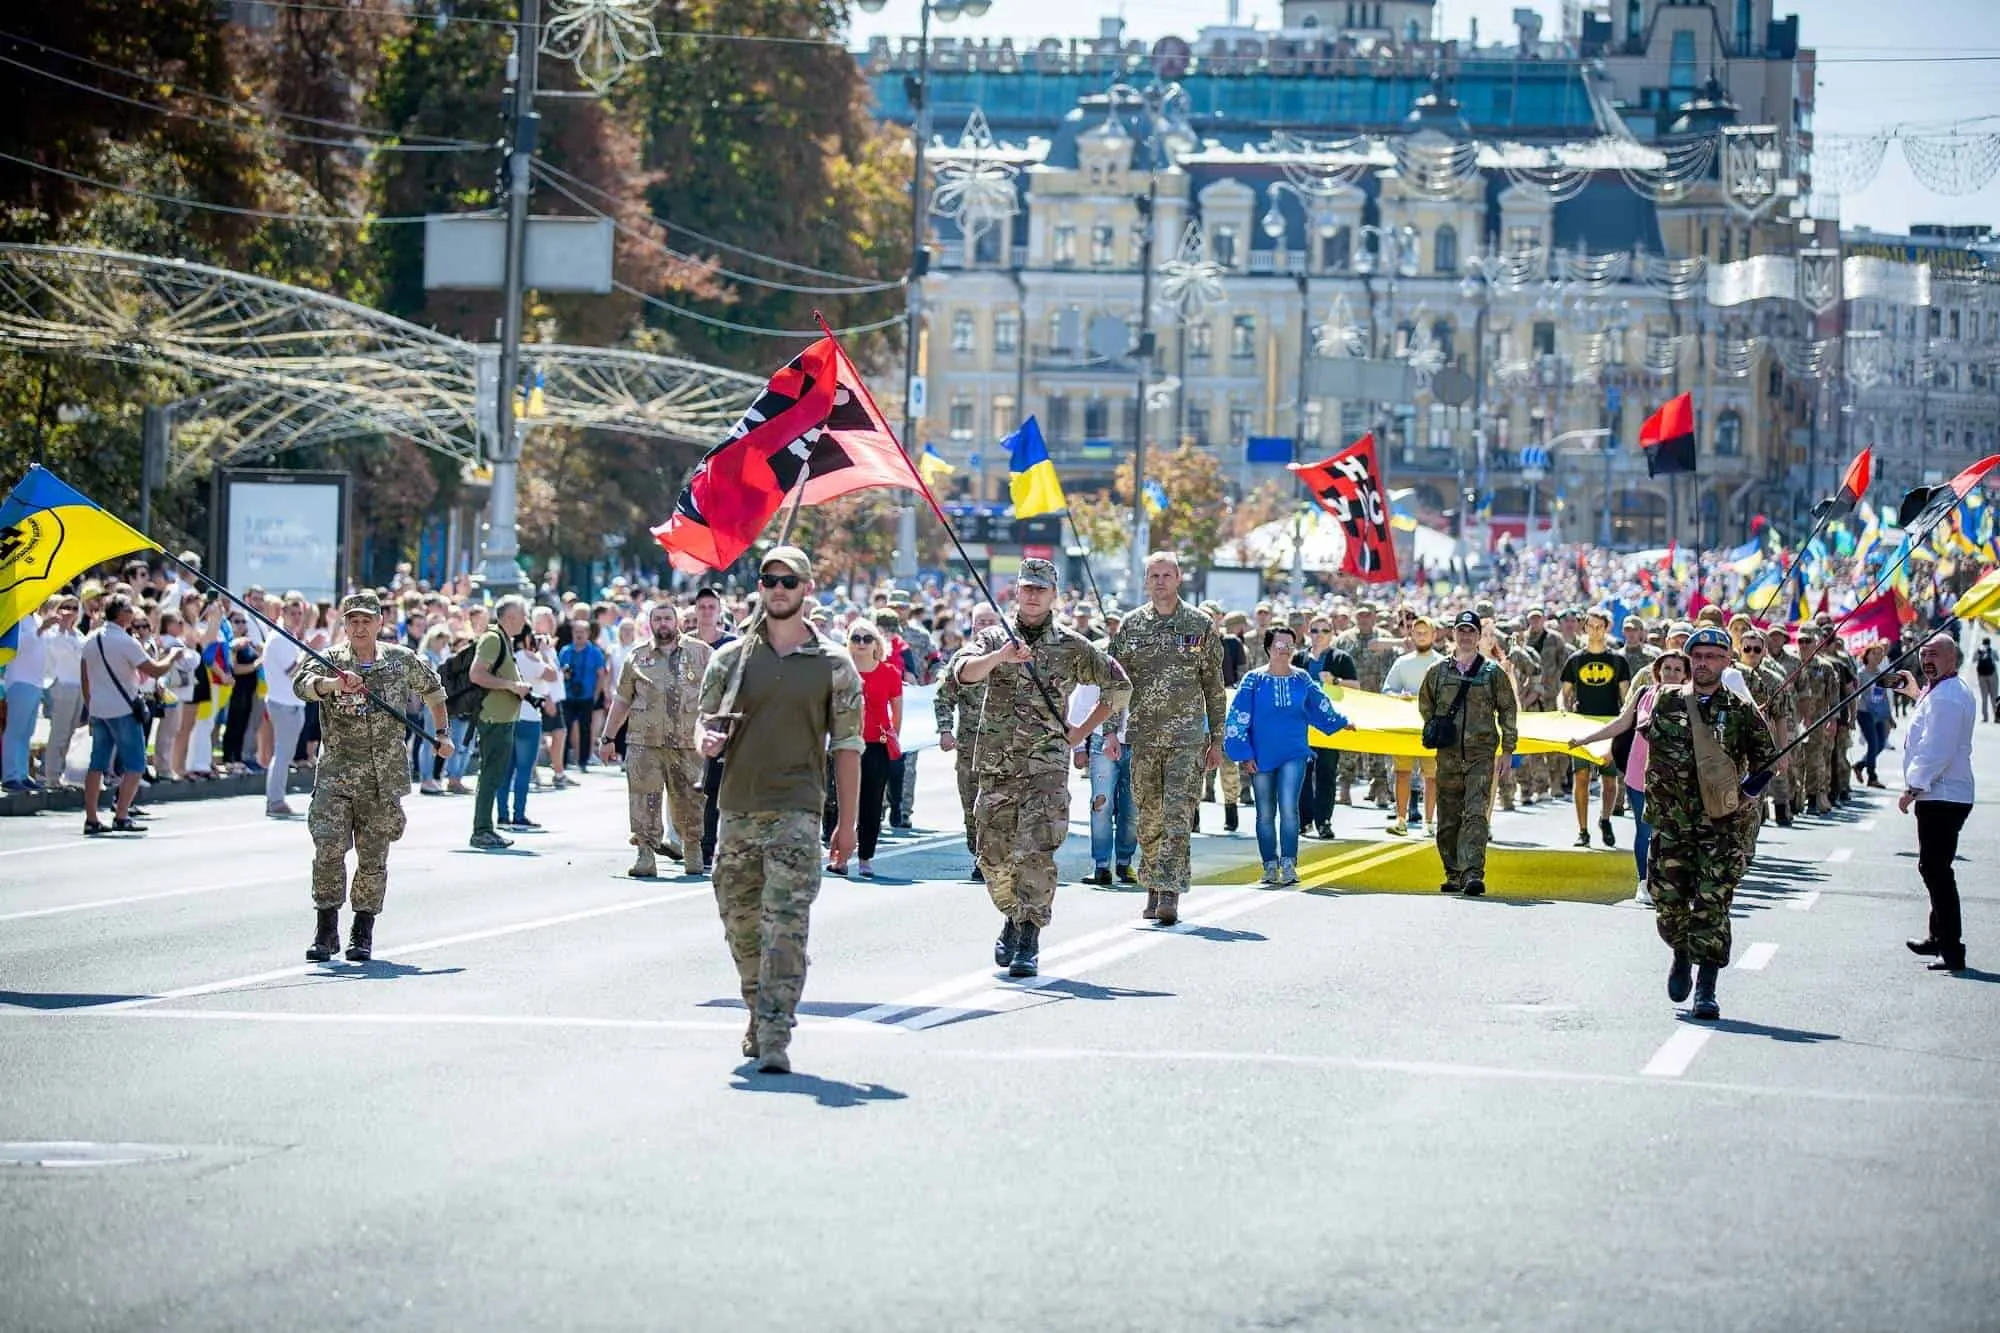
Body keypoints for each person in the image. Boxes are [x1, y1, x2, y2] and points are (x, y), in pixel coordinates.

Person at [696, 546, 862, 1075]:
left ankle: (774, 1030)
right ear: (759, 587)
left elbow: (848, 746)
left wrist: (848, 822)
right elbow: (704, 723)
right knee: (742, 927)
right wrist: (707, 739)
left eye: (789, 581)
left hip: (798, 810)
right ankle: (757, 1005)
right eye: (770, 580)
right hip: (737, 810)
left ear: (806, 589)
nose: (779, 588)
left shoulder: (834, 665)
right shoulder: (731, 659)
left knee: (785, 926)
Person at [954, 559, 1128, 973]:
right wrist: (1000, 657)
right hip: (997, 764)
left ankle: (1029, 935)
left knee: (1037, 851)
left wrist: (1082, 730)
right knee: (992, 856)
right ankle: (1013, 915)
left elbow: (1120, 685)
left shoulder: (1071, 645)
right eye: (1026, 587)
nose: (1032, 595)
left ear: (1054, 595)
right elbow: (963, 673)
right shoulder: (993, 637)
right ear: (1016, 591)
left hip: (1046, 766)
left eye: (1041, 589)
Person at [291, 593, 450, 963]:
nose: (360, 628)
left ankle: (362, 931)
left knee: (373, 857)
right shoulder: (328, 660)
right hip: (336, 772)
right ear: (344, 625)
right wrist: (333, 685)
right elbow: (301, 686)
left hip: (382, 777)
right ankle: (325, 930)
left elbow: (433, 691)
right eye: (353, 621)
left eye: (367, 621)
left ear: (380, 623)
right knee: (328, 849)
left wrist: (443, 734)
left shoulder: (400, 660)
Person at [1639, 627, 1779, 1021]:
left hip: (1719, 828)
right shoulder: (1664, 701)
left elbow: (1766, 760)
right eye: (1697, 656)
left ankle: (1707, 988)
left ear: (1726, 662)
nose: (1703, 663)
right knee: (1668, 904)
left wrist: (1744, 795)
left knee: (1712, 905)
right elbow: (1634, 737)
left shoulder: (1740, 709)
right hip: (1669, 826)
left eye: (1713, 657)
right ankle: (1681, 952)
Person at [1107, 552, 1224, 927]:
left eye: (1166, 574)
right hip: (1143, 737)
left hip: (1188, 738)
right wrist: (1110, 730)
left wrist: (1217, 739)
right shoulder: (1131, 625)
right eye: (1153, 575)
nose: (1159, 581)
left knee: (1177, 815)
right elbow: (1114, 682)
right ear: (1145, 581)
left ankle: (1169, 891)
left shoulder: (1200, 624)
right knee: (1149, 817)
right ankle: (1153, 886)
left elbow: (1214, 685)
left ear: (1178, 578)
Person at [1222, 624, 1351, 885]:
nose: (1284, 651)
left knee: (1289, 809)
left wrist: (1341, 721)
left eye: (1289, 646)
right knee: (1265, 813)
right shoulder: (1253, 680)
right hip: (1260, 756)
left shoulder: (1302, 678)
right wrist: (1245, 754)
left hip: (1294, 752)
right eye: (1279, 646)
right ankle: (1270, 865)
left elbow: (1320, 705)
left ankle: (1289, 865)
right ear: (1269, 648)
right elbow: (1237, 718)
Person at [598, 601, 712, 879]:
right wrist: (608, 737)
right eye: (657, 619)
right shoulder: (636, 657)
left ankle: (693, 848)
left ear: (677, 622)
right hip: (644, 743)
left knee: (689, 798)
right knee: (643, 799)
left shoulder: (701, 653)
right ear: (650, 624)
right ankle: (645, 853)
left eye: (667, 619)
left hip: (687, 742)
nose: (663, 624)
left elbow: (718, 695)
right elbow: (622, 699)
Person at [1574, 650, 1691, 904]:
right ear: (1658, 670)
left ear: (1685, 676)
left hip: (1676, 778)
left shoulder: (1692, 700)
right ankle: (1644, 883)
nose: (1671, 673)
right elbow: (1620, 724)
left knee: (1673, 831)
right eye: (1666, 668)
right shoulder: (1643, 694)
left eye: (1677, 669)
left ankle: (1671, 881)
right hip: (1639, 774)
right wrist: (1587, 739)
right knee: (1644, 829)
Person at [1417, 611, 1518, 897]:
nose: (1465, 636)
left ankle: (1473, 872)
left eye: (1471, 631)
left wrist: (1508, 749)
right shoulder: (1438, 672)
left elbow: (1508, 710)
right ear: (1453, 634)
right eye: (1461, 630)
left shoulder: (1492, 673)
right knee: (1448, 816)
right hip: (1447, 755)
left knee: (1475, 812)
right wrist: (1440, 728)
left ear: (1477, 636)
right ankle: (1453, 871)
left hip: (1481, 754)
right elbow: (1426, 705)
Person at [1898, 636, 1977, 973]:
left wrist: (1913, 787)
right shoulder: (1943, 690)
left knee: (1936, 871)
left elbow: (1937, 749)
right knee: (1935, 867)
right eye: (1923, 655)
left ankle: (1951, 948)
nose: (1927, 660)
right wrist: (1916, 693)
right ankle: (1938, 937)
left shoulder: (1948, 696)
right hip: (1941, 793)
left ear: (1952, 657)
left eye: (1934, 654)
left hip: (1941, 794)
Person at [78, 595, 180, 833]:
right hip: (123, 709)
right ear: (121, 614)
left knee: (97, 764)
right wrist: (173, 656)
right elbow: (155, 670)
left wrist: (91, 706)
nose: (133, 613)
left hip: (100, 709)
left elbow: (85, 676)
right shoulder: (125, 641)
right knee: (135, 764)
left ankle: (91, 818)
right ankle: (121, 815)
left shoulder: (91, 639)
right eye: (129, 609)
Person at [936, 602, 1001, 879]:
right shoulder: (963, 658)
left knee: (999, 804)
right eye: (980, 622)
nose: (985, 626)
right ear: (973, 627)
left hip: (1004, 748)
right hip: (970, 748)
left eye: (990, 621)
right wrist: (945, 729)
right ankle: (979, 854)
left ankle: (993, 857)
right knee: (971, 803)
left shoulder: (1012, 656)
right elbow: (943, 697)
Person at [1559, 607, 1632, 849]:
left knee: (1610, 782)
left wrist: (1625, 719)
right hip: (1581, 725)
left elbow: (1626, 696)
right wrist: (1563, 710)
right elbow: (1565, 693)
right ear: (1585, 627)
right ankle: (1582, 830)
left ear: (1606, 628)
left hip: (1609, 726)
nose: (1595, 631)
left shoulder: (1618, 661)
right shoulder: (1576, 660)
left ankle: (1605, 818)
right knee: (1581, 777)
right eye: (1590, 626)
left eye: (1599, 626)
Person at [467, 596, 533, 849]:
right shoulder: (494, 639)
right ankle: (482, 829)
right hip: (493, 717)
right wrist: (511, 686)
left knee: (494, 774)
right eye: (523, 616)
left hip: (502, 717)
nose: (525, 621)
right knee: (491, 774)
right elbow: (477, 674)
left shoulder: (502, 639)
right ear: (511, 617)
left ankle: (486, 827)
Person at [841, 620, 903, 879]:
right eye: (856, 638)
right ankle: (840, 856)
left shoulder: (889, 672)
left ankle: (865, 857)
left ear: (877, 644)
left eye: (867, 638)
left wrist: (891, 737)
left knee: (871, 803)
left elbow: (897, 712)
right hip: (845, 744)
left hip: (875, 745)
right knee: (841, 803)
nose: (862, 643)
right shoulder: (841, 672)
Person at [1380, 616, 1444, 836]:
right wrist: (1400, 696)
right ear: (1412, 636)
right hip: (1405, 725)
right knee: (1402, 773)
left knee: (1432, 775)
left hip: (1431, 727)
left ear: (1434, 635)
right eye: (1417, 633)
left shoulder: (1442, 663)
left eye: (1425, 632)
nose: (1421, 636)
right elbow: (1387, 690)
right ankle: (1401, 819)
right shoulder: (1402, 662)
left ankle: (1429, 822)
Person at [260, 595, 313, 817]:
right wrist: (308, 651)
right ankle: (275, 801)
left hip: (291, 703)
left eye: (300, 613)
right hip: (283, 704)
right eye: (293, 613)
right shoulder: (279, 639)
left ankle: (276, 799)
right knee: (282, 754)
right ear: (282, 612)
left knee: (285, 753)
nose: (297, 618)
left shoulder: (288, 637)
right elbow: (292, 672)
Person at [558, 616, 607, 776]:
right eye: (576, 632)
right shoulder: (565, 651)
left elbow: (601, 674)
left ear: (588, 633)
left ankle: (583, 761)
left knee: (585, 729)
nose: (579, 635)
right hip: (568, 696)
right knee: (565, 729)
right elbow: (559, 672)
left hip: (586, 697)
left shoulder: (595, 652)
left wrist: (596, 694)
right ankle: (561, 762)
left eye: (582, 632)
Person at [1853, 641, 1895, 789]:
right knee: (1873, 743)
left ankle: (1860, 765)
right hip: (1864, 712)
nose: (1877, 657)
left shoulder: (1881, 674)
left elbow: (1884, 697)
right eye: (1874, 653)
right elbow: (1855, 695)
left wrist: (1889, 717)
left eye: (1880, 654)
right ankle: (1872, 776)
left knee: (1881, 743)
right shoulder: (1861, 674)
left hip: (1878, 713)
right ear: (1867, 655)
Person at [1976, 636, 1998, 723]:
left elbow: (1974, 660)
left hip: (1981, 676)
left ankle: (1985, 717)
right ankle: (1996, 717)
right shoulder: (1992, 651)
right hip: (1992, 675)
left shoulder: (1979, 651)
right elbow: (1997, 658)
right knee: (1994, 697)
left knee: (1984, 698)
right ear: (1989, 643)